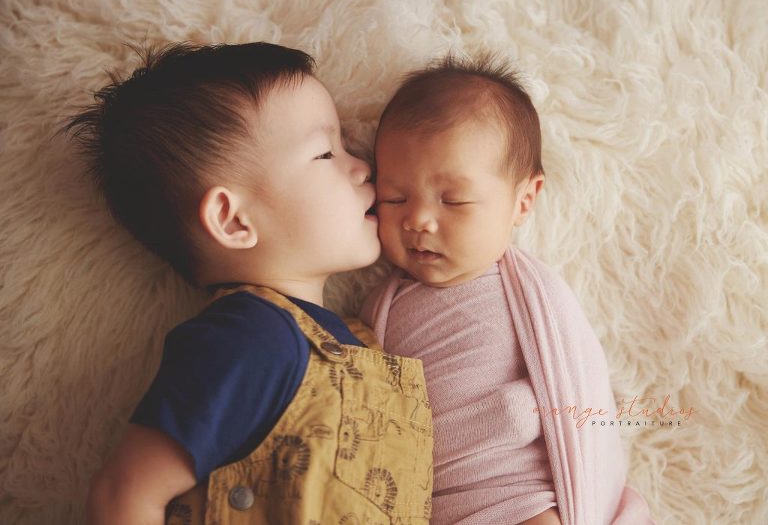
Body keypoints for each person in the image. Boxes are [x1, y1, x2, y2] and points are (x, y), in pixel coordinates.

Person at [64, 41, 433, 525]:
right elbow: (122, 496)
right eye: (326, 153)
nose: (362, 165)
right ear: (233, 220)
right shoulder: (250, 339)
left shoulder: (355, 337)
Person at [361, 53, 655, 525]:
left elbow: (577, 389)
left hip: (522, 501)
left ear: (524, 200)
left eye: (453, 200)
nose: (417, 219)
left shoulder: (536, 300)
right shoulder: (380, 309)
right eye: (394, 198)